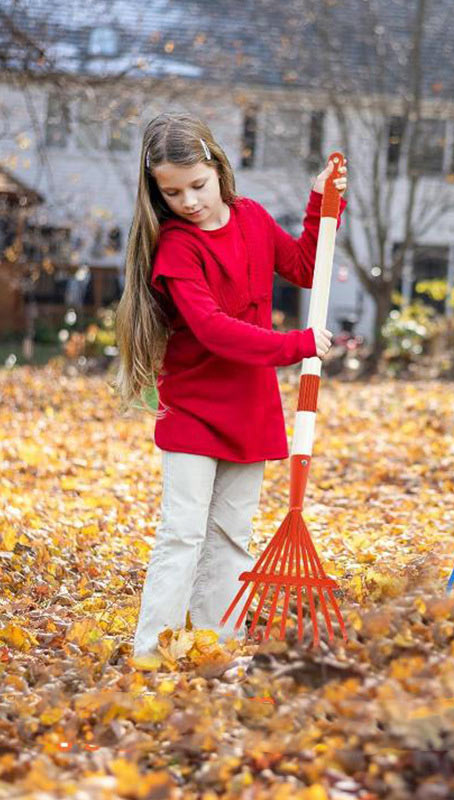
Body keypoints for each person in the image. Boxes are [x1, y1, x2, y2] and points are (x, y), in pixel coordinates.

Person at [112, 113, 347, 655]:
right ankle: (153, 652)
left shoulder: (253, 218)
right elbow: (216, 331)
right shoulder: (176, 248)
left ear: (218, 167)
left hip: (250, 405)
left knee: (231, 538)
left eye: (197, 185)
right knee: (183, 535)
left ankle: (218, 644)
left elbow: (307, 267)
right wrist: (296, 344)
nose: (189, 201)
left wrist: (320, 205)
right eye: (172, 193)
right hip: (193, 409)